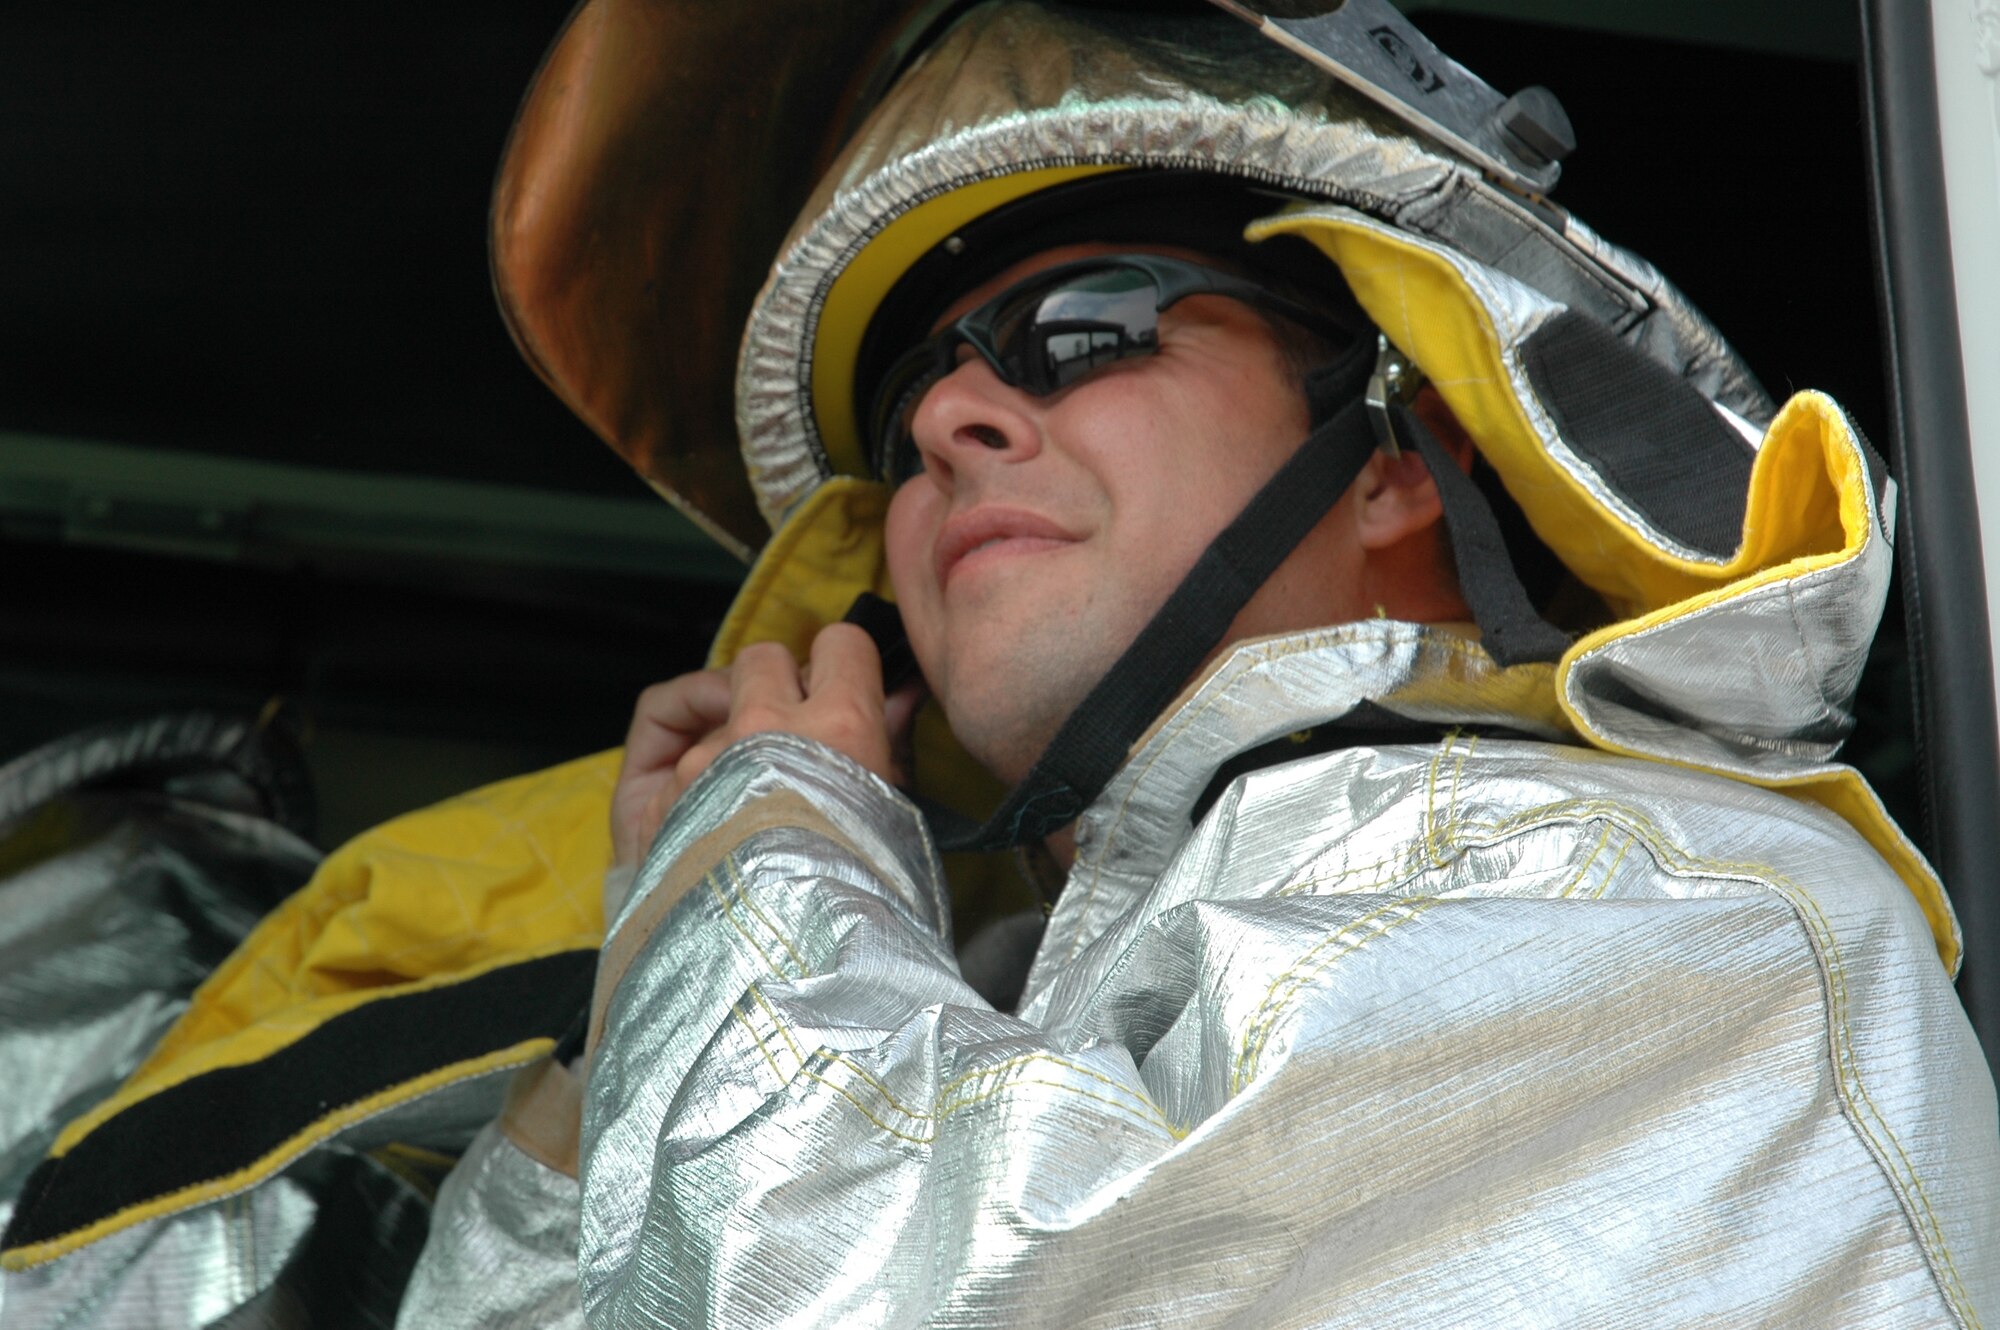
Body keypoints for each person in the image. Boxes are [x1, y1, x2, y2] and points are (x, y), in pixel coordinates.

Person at [4, 2, 1994, 1325]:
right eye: (908, 411)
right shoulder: (990, 986)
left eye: (1083, 325)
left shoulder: (1667, 914)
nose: (952, 419)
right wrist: (624, 1038)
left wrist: (768, 876)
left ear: (1409, 441)